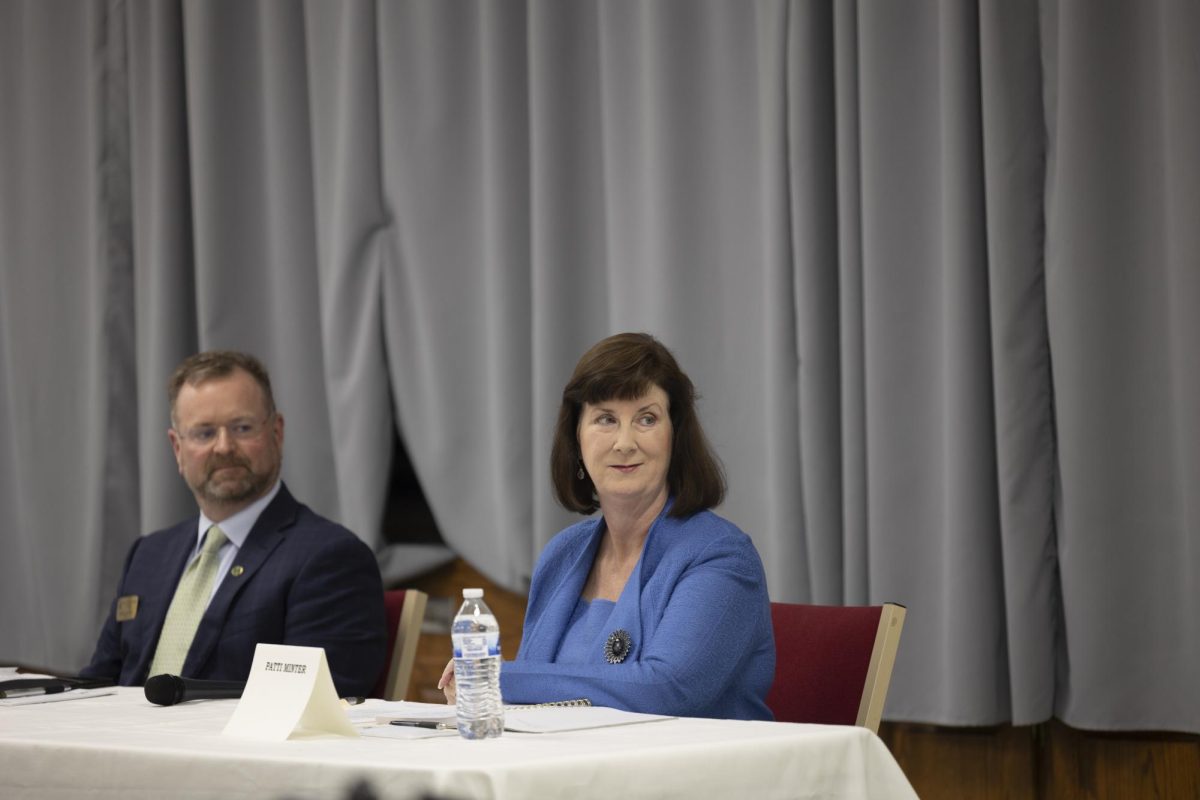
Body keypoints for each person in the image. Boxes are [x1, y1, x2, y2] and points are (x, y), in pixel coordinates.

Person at [440, 332, 775, 720]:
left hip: (700, 776)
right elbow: (531, 708)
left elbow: (667, 691)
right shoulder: (562, 555)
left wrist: (499, 678)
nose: (624, 442)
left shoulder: (720, 556)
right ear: (576, 440)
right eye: (605, 419)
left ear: (675, 438)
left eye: (646, 419)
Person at [81, 350, 387, 697]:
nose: (224, 447)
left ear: (277, 432)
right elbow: (98, 686)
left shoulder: (330, 558)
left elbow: (309, 705)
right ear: (177, 449)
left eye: (242, 428)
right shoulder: (148, 555)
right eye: (204, 433)